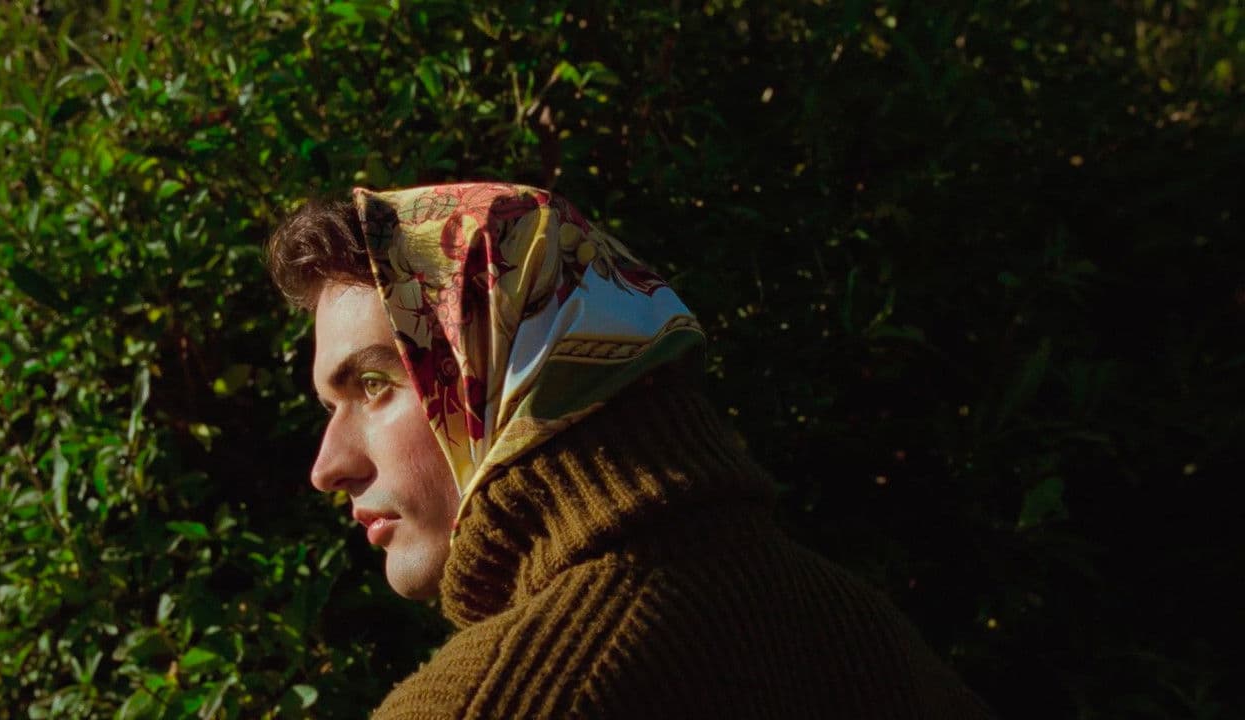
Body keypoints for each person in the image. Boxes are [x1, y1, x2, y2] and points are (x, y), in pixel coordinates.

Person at [267, 183, 992, 719]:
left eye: (374, 385)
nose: (328, 468)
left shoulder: (493, 703)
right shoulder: (880, 649)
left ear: (515, 371)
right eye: (330, 408)